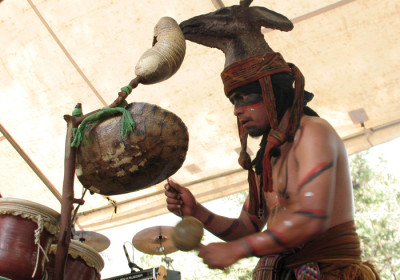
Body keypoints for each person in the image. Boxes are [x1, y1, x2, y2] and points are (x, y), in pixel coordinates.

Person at [164, 52, 380, 279]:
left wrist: (239, 249)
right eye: (234, 101)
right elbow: (247, 229)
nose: (237, 110)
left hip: (328, 271)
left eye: (244, 97)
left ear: (273, 95)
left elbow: (310, 219)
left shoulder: (314, 132)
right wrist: (197, 211)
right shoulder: (268, 158)